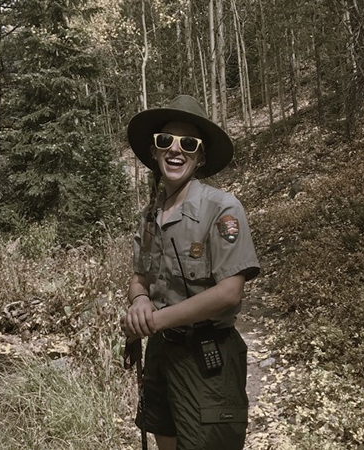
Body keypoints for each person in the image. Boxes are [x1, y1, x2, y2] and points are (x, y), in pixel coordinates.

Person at [122, 95, 260, 450]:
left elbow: (230, 291)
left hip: (207, 356)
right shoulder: (150, 215)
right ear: (154, 151)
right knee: (164, 437)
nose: (175, 149)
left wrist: (155, 320)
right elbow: (139, 277)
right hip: (161, 352)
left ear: (200, 157)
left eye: (188, 144)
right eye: (165, 140)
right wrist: (139, 301)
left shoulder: (222, 208)